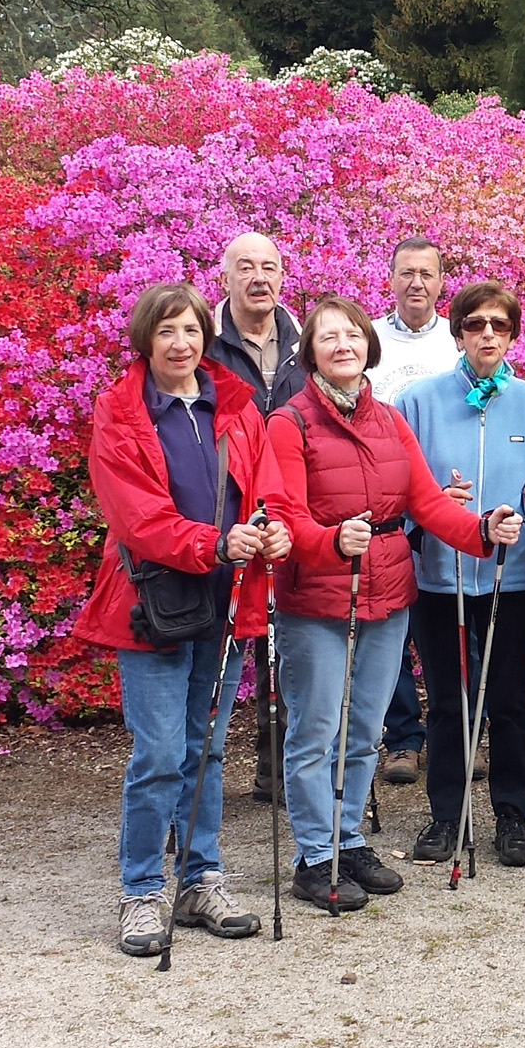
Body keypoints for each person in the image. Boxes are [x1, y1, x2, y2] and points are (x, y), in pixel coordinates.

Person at [265, 296, 522, 910]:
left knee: (363, 732)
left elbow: (427, 503)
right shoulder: (289, 422)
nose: (343, 346)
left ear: (367, 345)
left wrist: (481, 529)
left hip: (386, 592)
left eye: (352, 335)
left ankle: (348, 837)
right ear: (310, 353)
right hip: (316, 597)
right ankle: (314, 855)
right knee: (316, 731)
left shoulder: (387, 420)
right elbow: (283, 515)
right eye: (328, 338)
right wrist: (329, 541)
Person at [77, 282, 290, 957]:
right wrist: (213, 544)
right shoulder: (120, 413)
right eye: (167, 331)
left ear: (208, 336)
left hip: (227, 601)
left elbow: (267, 491)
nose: (181, 344)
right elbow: (135, 517)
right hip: (153, 602)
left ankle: (199, 877)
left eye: (192, 331)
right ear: (146, 340)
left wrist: (271, 531)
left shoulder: (235, 407)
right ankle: (142, 888)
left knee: (208, 750)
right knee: (162, 753)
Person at [396, 281, 525, 867]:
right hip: (440, 577)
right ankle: (448, 815)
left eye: (498, 324)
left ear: (513, 333)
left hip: (509, 576)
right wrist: (436, 501)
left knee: (509, 700)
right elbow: (402, 488)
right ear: (458, 331)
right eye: (475, 324)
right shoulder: (419, 400)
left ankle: (513, 816)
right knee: (447, 701)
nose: (487, 334)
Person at [207, 231, 307, 806]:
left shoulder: (303, 342)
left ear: (282, 275)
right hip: (226, 512)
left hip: (290, 513)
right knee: (225, 655)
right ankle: (200, 785)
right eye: (245, 267)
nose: (258, 277)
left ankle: (278, 773)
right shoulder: (206, 340)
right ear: (226, 278)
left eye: (268, 266)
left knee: (288, 651)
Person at [366, 237, 453, 786]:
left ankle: (463, 729)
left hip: (445, 498)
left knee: (448, 621)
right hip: (381, 495)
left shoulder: (457, 339)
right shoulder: (367, 336)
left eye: (426, 273)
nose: (416, 283)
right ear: (391, 278)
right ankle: (403, 737)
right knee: (390, 617)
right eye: (406, 273)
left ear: (441, 282)